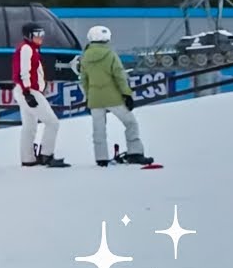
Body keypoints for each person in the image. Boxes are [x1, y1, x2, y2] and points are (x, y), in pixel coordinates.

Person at [80, 25, 153, 167]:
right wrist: (127, 94)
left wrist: (88, 97)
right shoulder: (110, 54)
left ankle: (101, 158)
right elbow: (119, 75)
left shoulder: (85, 57)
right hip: (113, 97)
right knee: (130, 123)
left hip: (95, 98)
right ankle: (135, 153)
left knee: (99, 129)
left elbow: (83, 80)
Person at [13, 23, 68, 167]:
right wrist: (27, 92)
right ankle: (46, 155)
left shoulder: (31, 48)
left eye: (42, 34)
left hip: (26, 90)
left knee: (29, 126)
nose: (40, 37)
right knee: (53, 122)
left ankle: (28, 158)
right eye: (37, 34)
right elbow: (24, 71)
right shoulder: (26, 48)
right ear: (29, 35)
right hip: (28, 91)